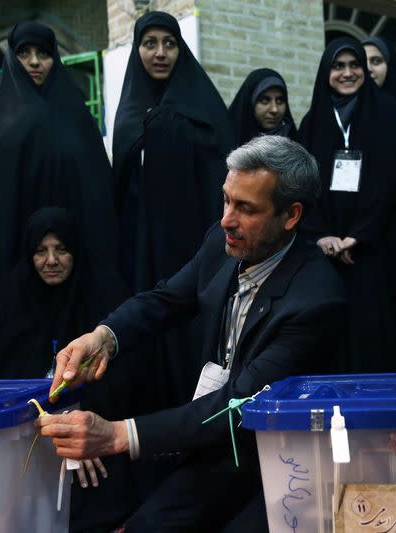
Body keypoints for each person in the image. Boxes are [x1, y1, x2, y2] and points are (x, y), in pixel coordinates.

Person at [33, 135, 346, 531]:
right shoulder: (224, 243)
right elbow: (165, 300)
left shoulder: (317, 300)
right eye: (226, 199)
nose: (226, 219)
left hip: (281, 464)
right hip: (215, 450)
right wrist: (104, 337)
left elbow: (237, 405)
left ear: (291, 215)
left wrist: (116, 435)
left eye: (246, 208)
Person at [0, 22, 118, 372]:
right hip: (11, 261)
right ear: (11, 59)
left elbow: (97, 190)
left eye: (43, 53)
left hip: (71, 266)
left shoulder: (76, 116)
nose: (34, 62)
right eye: (24, 53)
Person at [0, 207, 140, 531]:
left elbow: (124, 383)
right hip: (27, 436)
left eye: (61, 249)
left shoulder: (104, 293)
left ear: (76, 251)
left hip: (98, 432)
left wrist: (82, 429)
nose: (51, 260)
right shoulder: (13, 300)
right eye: (41, 251)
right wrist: (54, 426)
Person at [112, 11, 235, 407]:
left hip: (198, 246)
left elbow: (224, 171)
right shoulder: (130, 113)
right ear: (138, 50)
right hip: (145, 254)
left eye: (170, 43)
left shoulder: (204, 105)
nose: (161, 53)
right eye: (150, 44)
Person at [299, 38, 396, 373]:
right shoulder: (312, 122)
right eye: (338, 66)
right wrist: (321, 235)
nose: (347, 73)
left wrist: (360, 236)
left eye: (355, 65)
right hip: (325, 257)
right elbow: (302, 188)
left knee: (372, 348)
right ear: (325, 72)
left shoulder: (389, 114)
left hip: (374, 254)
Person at [228, 68, 297, 145]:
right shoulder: (229, 142)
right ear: (250, 104)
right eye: (265, 101)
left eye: (280, 101)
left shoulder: (294, 146)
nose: (274, 109)